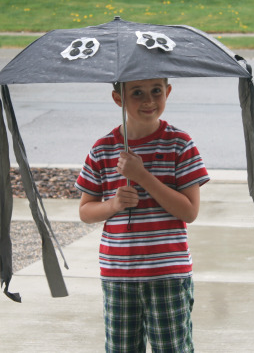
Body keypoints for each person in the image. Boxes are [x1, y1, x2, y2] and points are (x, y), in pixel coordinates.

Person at [75, 78, 209, 352]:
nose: (149, 100)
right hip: (119, 274)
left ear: (168, 92)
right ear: (118, 99)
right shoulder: (103, 149)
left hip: (167, 273)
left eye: (156, 91)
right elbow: (86, 211)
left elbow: (190, 211)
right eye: (137, 93)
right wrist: (113, 206)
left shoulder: (179, 145)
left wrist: (142, 176)